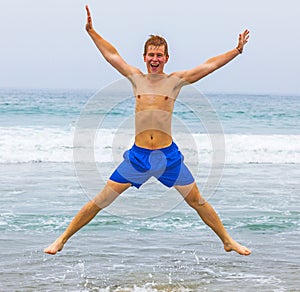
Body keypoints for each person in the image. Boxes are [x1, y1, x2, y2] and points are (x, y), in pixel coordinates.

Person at [44, 5, 251, 256]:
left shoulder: (175, 81)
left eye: (159, 55)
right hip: (139, 156)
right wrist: (91, 32)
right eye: (151, 55)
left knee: (197, 201)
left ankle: (228, 241)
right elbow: (112, 55)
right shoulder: (136, 78)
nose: (155, 59)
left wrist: (237, 51)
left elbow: (208, 66)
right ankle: (62, 239)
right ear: (144, 57)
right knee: (101, 200)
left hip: (167, 157)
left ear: (166, 58)